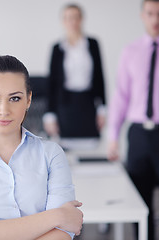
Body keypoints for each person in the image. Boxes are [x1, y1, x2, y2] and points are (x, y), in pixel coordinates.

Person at [0, 55, 83, 240]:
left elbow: (61, 235)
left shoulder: (51, 154)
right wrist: (56, 216)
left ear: (28, 100)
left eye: (15, 98)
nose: (4, 109)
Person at [107, 0, 159, 239]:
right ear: (142, 15)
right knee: (140, 204)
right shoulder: (130, 51)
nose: (155, 19)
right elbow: (121, 96)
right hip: (138, 135)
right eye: (150, 13)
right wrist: (113, 136)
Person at [44, 3, 106, 150]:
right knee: (65, 148)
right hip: (65, 104)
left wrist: (103, 108)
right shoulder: (57, 48)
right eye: (68, 18)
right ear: (63, 21)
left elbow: (100, 77)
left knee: (90, 146)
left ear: (81, 19)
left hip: (87, 103)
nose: (72, 21)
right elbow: (52, 83)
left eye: (75, 17)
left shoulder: (92, 44)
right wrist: (49, 114)